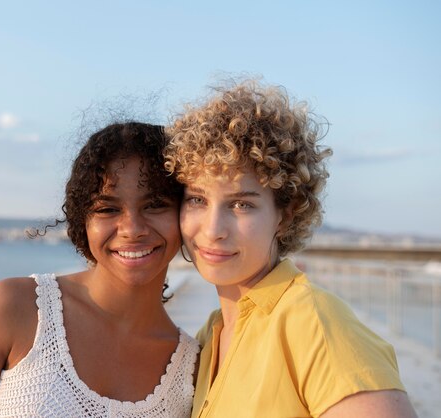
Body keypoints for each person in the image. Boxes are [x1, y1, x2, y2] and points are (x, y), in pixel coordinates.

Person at [164, 79, 417, 418]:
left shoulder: (314, 325)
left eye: (241, 204)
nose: (212, 230)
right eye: (197, 199)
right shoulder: (211, 334)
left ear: (285, 213)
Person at [0, 122, 199, 417]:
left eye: (155, 204)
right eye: (107, 209)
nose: (132, 229)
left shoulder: (192, 369)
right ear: (83, 220)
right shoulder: (17, 308)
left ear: (185, 213)